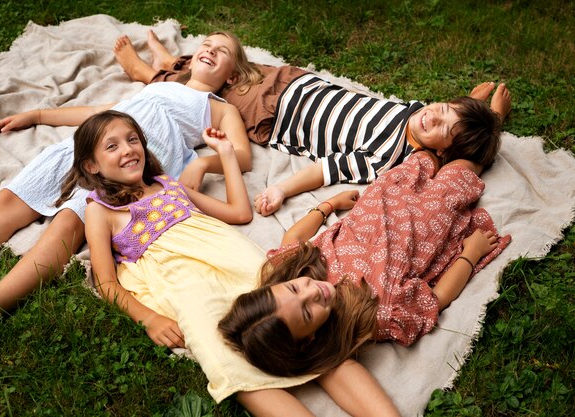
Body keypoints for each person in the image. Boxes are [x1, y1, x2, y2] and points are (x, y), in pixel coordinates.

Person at [74, 110, 401, 417]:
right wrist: (149, 318)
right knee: (225, 354)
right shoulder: (100, 211)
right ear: (91, 166)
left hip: (235, 259)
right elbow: (106, 283)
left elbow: (239, 213)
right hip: (185, 279)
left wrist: (226, 153)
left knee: (312, 338)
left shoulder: (167, 185)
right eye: (112, 146)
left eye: (133, 139)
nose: (128, 150)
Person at [0, 31, 255, 338]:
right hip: (86, 146)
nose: (211, 51)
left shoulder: (220, 108)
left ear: (232, 77)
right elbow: (101, 114)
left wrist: (202, 163)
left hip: (132, 165)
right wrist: (39, 115)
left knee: (70, 222)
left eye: (223, 51)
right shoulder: (161, 86)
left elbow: (242, 156)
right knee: (6, 204)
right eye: (207, 45)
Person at [114, 31, 512, 216]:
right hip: (296, 81)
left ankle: (151, 74)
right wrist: (480, 114)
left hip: (274, 115)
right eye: (441, 106)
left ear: (442, 151)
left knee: (206, 92)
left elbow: (326, 169)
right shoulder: (420, 115)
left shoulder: (388, 157)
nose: (432, 114)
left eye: (442, 126)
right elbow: (445, 122)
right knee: (239, 68)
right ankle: (173, 63)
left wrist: (282, 189)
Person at [218, 149, 512, 377]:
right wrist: (469, 254)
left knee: (425, 155)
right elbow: (437, 298)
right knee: (461, 166)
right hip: (429, 219)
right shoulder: (374, 315)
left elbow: (293, 237)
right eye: (307, 312)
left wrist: (329, 205)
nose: (314, 292)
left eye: (295, 290)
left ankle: (461, 121)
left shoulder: (289, 268)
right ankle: (489, 123)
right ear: (308, 341)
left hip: (385, 198)